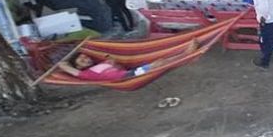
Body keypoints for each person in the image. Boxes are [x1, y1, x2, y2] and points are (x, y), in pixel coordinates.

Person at [58, 42, 197, 82]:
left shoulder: (100, 65)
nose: (86, 59)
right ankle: (186, 55)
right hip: (126, 78)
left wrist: (111, 60)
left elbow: (118, 66)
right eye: (82, 59)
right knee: (159, 64)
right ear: (77, 65)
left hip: (129, 73)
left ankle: (185, 55)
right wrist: (76, 49)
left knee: (159, 61)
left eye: (86, 57)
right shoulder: (85, 74)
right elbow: (62, 65)